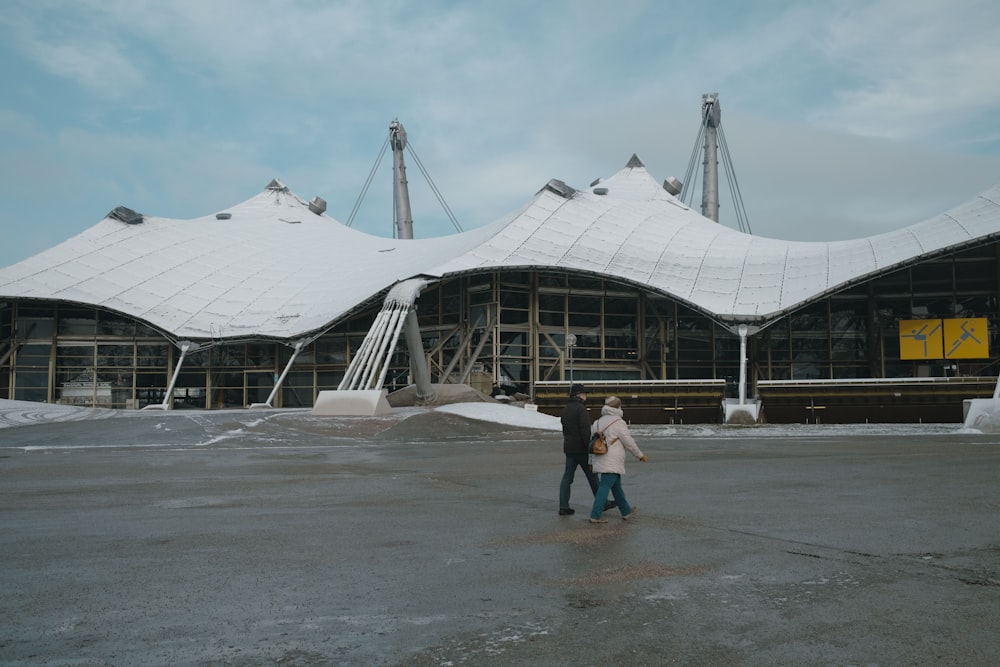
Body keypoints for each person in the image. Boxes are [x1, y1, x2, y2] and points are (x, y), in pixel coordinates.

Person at [588, 395, 646, 523]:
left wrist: (591, 461)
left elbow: (592, 443)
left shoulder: (597, 422)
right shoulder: (619, 423)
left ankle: (626, 511)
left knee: (616, 486)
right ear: (618, 407)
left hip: (600, 457)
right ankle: (595, 515)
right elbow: (628, 442)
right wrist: (639, 455)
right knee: (604, 487)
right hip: (612, 459)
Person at [558, 383, 604, 515]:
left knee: (567, 477)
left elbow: (565, 428)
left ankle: (563, 505)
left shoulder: (566, 409)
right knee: (593, 476)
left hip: (569, 448)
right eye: (584, 394)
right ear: (578, 395)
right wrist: (588, 447)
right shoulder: (581, 409)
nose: (586, 396)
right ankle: (602, 502)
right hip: (582, 449)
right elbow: (585, 431)